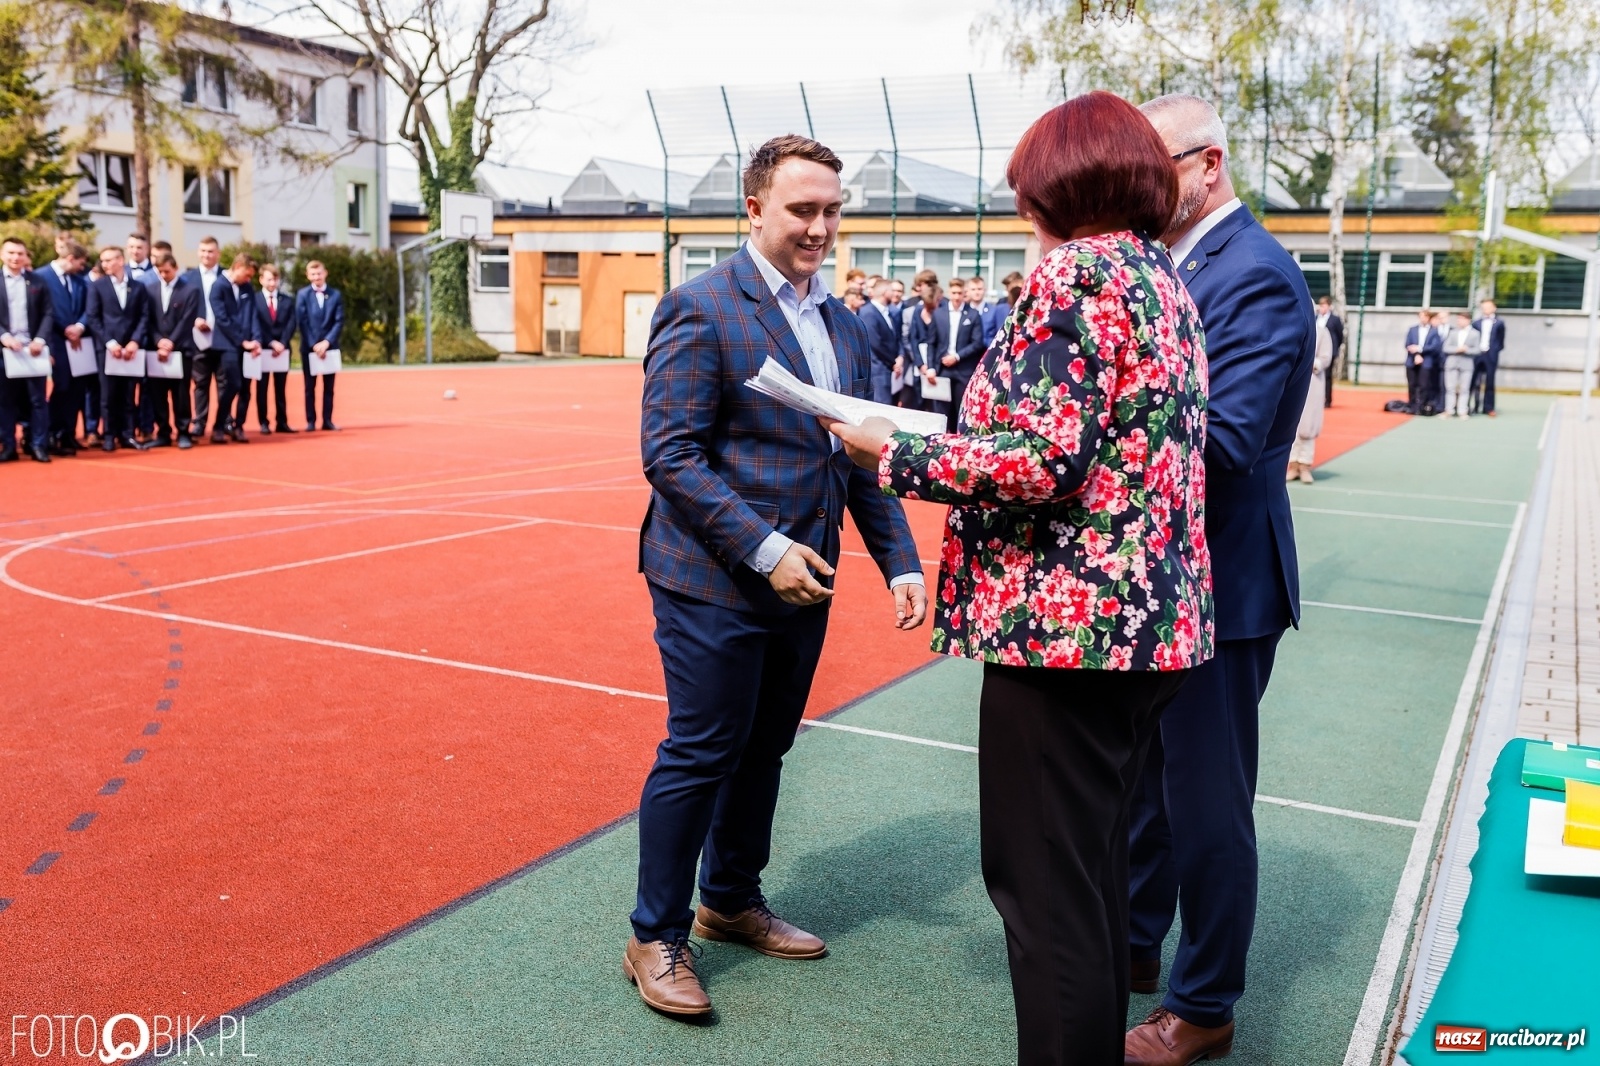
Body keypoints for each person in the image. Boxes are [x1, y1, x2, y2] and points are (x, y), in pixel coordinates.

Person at [829, 92, 1212, 1066]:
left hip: (1067, 631)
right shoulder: (1158, 277)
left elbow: (1040, 460)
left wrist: (895, 454)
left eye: (1024, 186)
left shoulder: (1074, 275)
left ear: (1058, 184)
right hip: (1144, 626)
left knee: (1044, 897)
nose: (1018, 204)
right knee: (1082, 882)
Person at [630, 133, 925, 1020]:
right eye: (803, 209)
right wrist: (764, 548)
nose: (821, 227)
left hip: (810, 580)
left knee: (766, 747)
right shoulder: (700, 307)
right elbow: (670, 456)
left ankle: (729, 899)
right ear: (752, 209)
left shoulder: (848, 324)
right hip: (713, 578)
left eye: (833, 210)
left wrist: (901, 561)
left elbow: (858, 456)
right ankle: (655, 932)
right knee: (702, 748)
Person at [1124, 93, 1315, 1066]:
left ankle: (1203, 1006)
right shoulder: (1180, 263)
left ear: (1208, 165)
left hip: (1223, 585)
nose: (1139, 188)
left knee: (1204, 802)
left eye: (1154, 169)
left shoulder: (1255, 275)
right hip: (1171, 581)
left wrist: (1092, 436)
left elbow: (1232, 440)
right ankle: (1130, 944)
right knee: (1150, 790)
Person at [84, 245, 151, 453]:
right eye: (102, 261)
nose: (104, 265)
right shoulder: (97, 286)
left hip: (131, 350)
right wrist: (110, 343)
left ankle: (128, 434)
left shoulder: (138, 287)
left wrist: (135, 341)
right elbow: (93, 318)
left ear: (120, 260)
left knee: (129, 394)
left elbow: (144, 316)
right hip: (107, 350)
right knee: (107, 395)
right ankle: (109, 435)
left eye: (109, 260)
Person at [0, 236, 54, 462]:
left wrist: (40, 339)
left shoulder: (38, 281)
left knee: (38, 400)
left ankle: (38, 445)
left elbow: (48, 313)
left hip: (34, 351)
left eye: (20, 254)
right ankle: (9, 445)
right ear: (3, 255)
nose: (15, 258)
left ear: (25, 256)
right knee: (5, 401)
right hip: (5, 351)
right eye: (11, 253)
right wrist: (4, 337)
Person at [40, 239, 90, 456]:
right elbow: (42, 311)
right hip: (55, 342)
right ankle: (51, 433)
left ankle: (67, 433)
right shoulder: (41, 277)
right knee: (59, 388)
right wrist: (65, 329)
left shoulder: (80, 281)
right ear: (70, 259)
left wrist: (79, 326)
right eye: (80, 263)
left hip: (78, 344)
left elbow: (89, 307)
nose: (82, 268)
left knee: (76, 389)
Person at [146, 253, 201, 449]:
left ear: (175, 268)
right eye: (160, 271)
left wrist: (171, 343)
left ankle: (183, 431)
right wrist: (159, 341)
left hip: (181, 351)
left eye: (167, 271)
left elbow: (187, 320)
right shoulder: (150, 290)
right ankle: (163, 432)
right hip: (156, 351)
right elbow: (148, 320)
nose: (163, 275)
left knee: (181, 394)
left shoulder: (190, 290)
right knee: (158, 394)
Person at [207, 254, 260, 443]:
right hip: (227, 345)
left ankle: (239, 427)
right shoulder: (218, 287)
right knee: (233, 384)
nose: (248, 279)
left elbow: (253, 314)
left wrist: (256, 340)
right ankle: (219, 426)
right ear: (237, 266)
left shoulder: (247, 288)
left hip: (248, 344)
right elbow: (222, 320)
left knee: (246, 388)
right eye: (246, 275)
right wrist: (241, 341)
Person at [1289, 300, 1335, 482]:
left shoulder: (1322, 332)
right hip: (1293, 382)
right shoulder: (1293, 329)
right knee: (1291, 424)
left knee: (1308, 425)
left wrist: (1310, 364)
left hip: (1312, 382)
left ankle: (1305, 465)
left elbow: (1325, 357)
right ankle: (1292, 465)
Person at [184, 237, 226, 439]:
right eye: (203, 251)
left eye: (210, 251)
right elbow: (182, 306)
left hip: (223, 338)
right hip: (198, 338)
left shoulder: (226, 276)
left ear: (217, 253)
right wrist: (195, 320)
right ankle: (199, 423)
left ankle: (223, 423)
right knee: (200, 383)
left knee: (223, 383)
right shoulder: (188, 277)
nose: (206, 255)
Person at [297, 259, 344, 431]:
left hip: (330, 348)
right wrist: (314, 345)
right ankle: (311, 421)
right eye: (313, 274)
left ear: (325, 273)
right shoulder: (302, 295)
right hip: (309, 350)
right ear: (308, 276)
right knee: (310, 387)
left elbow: (339, 321)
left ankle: (327, 420)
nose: (317, 277)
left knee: (329, 388)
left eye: (319, 273)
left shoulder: (335, 294)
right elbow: (302, 322)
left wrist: (326, 342)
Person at [253, 263, 298, 433]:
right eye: (269, 279)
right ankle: (263, 422)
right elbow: (255, 323)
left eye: (275, 279)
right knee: (262, 388)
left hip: (282, 351)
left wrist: (283, 343)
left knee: (281, 388)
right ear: (261, 280)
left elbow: (291, 323)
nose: (272, 283)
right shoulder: (255, 299)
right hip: (262, 349)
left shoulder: (286, 300)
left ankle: (282, 422)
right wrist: (270, 342)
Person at [858, 276, 901, 404]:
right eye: (891, 291)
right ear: (884, 293)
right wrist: (893, 361)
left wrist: (900, 358)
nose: (894, 294)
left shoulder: (887, 312)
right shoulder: (869, 312)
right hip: (878, 370)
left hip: (887, 370)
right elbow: (875, 343)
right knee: (882, 408)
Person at [906, 283, 947, 410]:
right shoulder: (918, 311)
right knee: (919, 400)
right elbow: (913, 338)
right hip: (920, 362)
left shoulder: (944, 311)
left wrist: (932, 366)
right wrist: (920, 364)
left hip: (938, 361)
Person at [1441, 311, 1480, 419]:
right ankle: (1449, 410)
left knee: (1464, 389)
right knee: (1450, 388)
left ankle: (1462, 411)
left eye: (1461, 319)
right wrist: (1457, 349)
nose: (1459, 321)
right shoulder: (1453, 332)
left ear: (1468, 320)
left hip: (1467, 364)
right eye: (1458, 319)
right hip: (1452, 363)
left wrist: (1466, 350)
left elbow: (1477, 350)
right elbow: (1445, 347)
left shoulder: (1475, 334)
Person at [1472, 298, 1504, 417]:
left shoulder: (1499, 323)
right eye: (1484, 307)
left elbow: (1501, 342)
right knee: (1474, 381)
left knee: (1490, 382)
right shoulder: (1476, 323)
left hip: (1490, 356)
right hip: (1477, 355)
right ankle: (1473, 406)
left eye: (1488, 307)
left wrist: (1493, 351)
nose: (1485, 309)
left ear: (1494, 308)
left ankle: (1488, 407)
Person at [1316, 295, 1344, 407]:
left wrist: (1335, 348)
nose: (1322, 308)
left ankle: (1328, 399)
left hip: (1329, 352)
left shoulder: (1335, 319)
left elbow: (1340, 335)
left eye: (1324, 305)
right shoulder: (1315, 317)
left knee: (1327, 376)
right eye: (1321, 305)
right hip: (1315, 352)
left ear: (1329, 306)